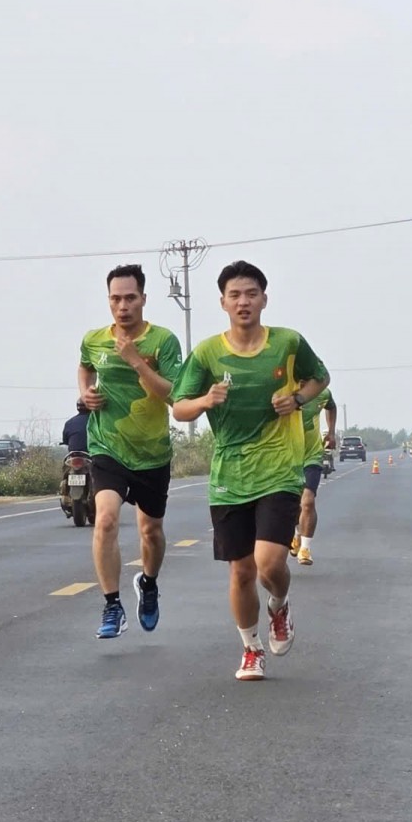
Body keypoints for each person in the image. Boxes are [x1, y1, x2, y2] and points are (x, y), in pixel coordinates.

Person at [170, 260, 328, 681]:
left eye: (251, 294)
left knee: (269, 564)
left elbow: (320, 378)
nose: (244, 301)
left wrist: (296, 400)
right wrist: (205, 401)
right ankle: (251, 648)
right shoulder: (206, 352)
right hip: (229, 476)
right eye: (235, 295)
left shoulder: (288, 343)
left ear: (264, 299)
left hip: (279, 469)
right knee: (241, 571)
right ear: (222, 302)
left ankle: (279, 606)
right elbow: (179, 406)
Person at [79, 264, 184, 640]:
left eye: (130, 298)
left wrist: (136, 360)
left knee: (151, 532)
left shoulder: (163, 341)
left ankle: (149, 584)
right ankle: (112, 605)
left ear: (143, 299)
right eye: (115, 299)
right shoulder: (93, 339)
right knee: (105, 519)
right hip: (107, 446)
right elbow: (85, 366)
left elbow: (174, 394)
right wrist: (86, 393)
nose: (122, 306)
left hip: (152, 452)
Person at [290, 386, 336, 566]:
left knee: (307, 501)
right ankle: (296, 534)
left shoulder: (321, 392)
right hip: (286, 459)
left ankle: (305, 549)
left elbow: (331, 406)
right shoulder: (283, 389)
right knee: (292, 504)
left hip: (312, 456)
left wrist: (331, 432)